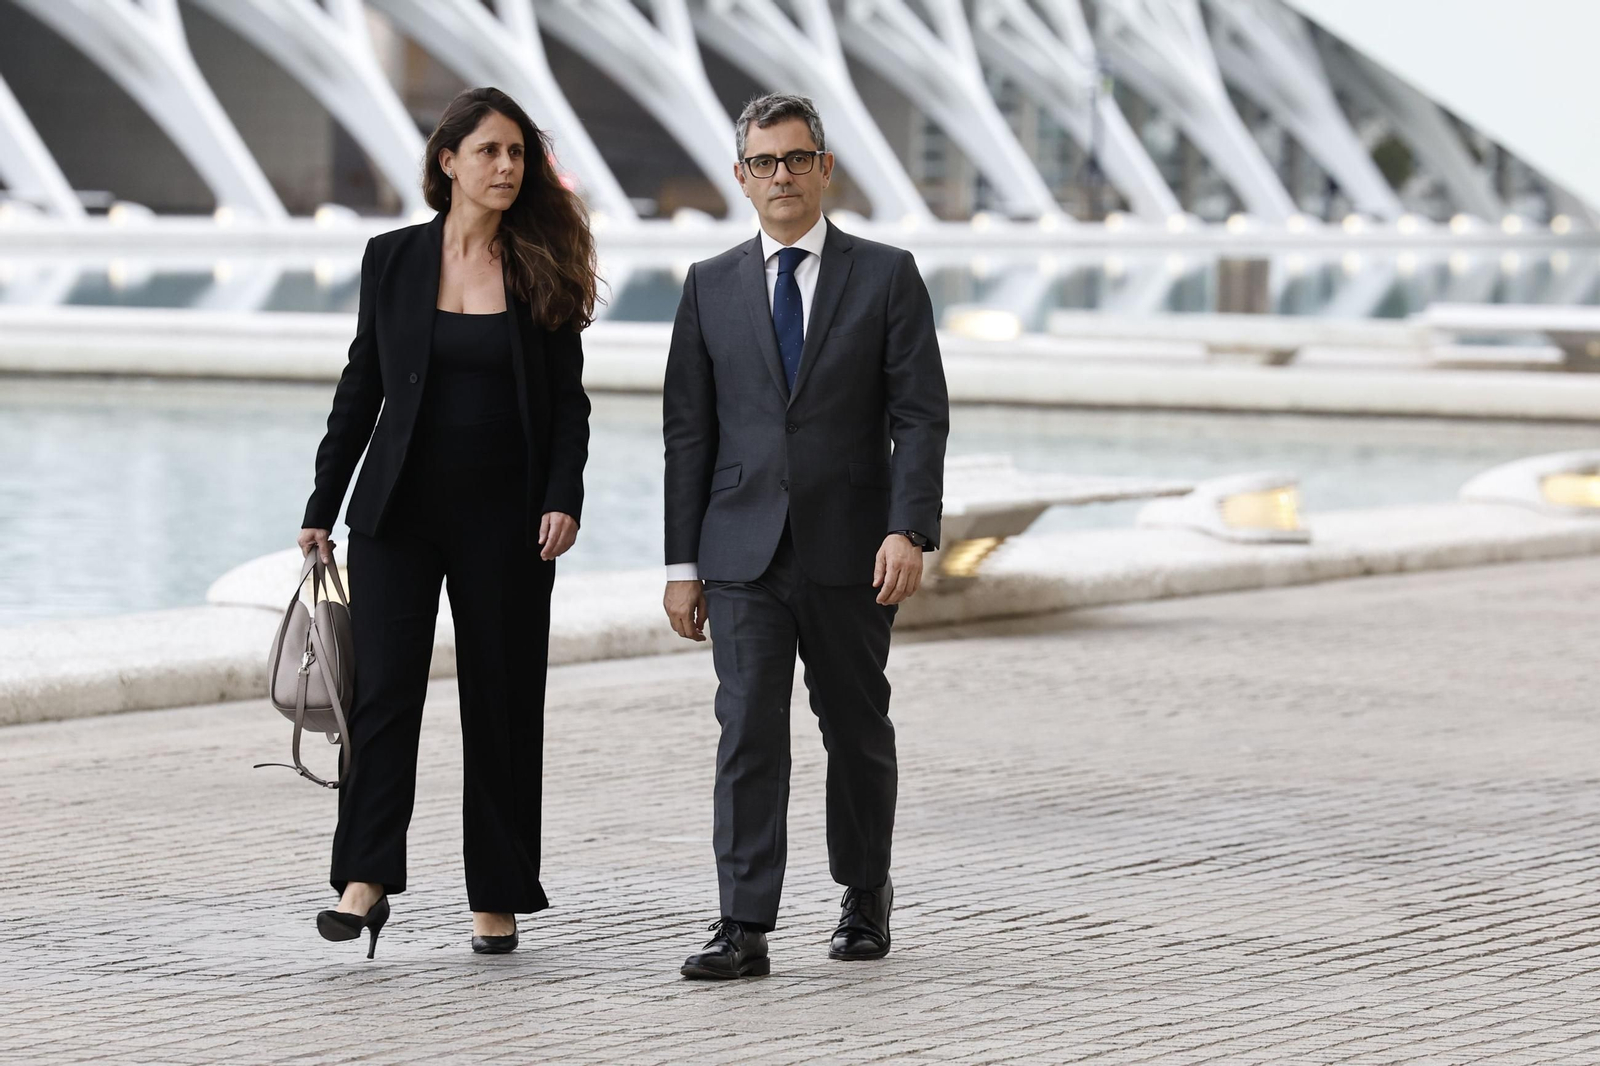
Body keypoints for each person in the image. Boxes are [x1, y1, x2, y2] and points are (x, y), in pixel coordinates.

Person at [297, 87, 594, 959]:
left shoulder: (542, 264)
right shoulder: (392, 259)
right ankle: (365, 878)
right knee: (383, 695)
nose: (507, 168)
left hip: (508, 520)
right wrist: (322, 503)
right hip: (398, 512)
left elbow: (569, 406)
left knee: (500, 703)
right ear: (448, 161)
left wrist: (562, 493)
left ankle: (496, 893)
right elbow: (362, 387)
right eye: (491, 152)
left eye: (518, 154)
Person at [662, 93, 949, 979]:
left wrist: (909, 529)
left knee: (855, 727)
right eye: (762, 162)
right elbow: (688, 432)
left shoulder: (887, 274)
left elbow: (920, 415)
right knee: (747, 727)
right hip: (741, 549)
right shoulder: (710, 285)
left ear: (825, 168)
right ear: (741, 178)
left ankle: (865, 896)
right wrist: (682, 564)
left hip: (854, 548)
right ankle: (743, 922)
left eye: (794, 159)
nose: (779, 175)